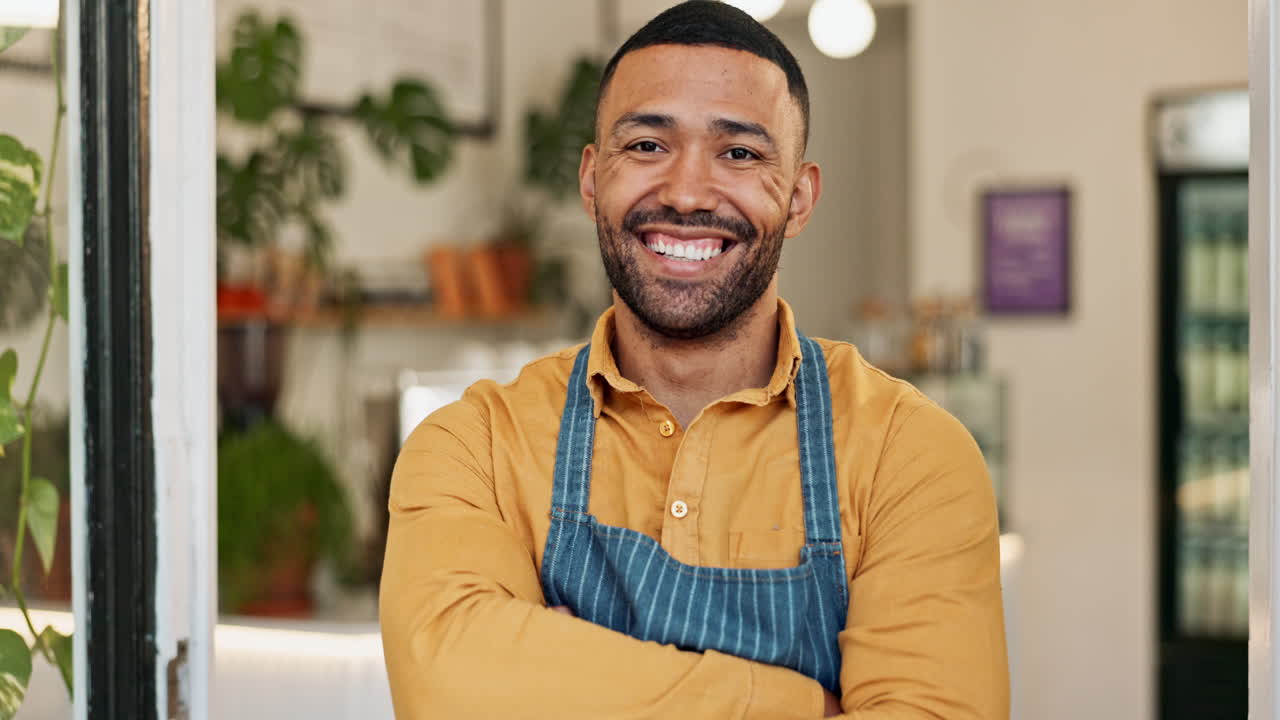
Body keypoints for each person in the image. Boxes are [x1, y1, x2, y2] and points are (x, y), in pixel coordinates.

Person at [380, 2, 1009, 717]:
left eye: (738, 153)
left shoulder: (910, 457)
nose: (684, 193)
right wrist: (802, 704)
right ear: (592, 181)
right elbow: (450, 686)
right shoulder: (474, 447)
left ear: (799, 199)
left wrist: (571, 681)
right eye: (647, 145)